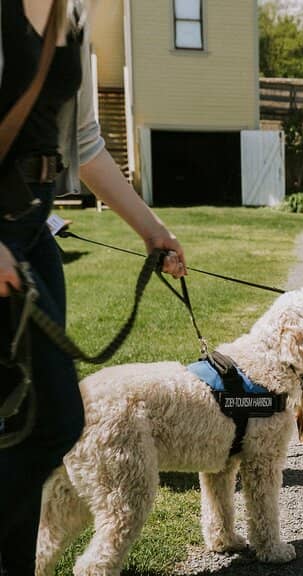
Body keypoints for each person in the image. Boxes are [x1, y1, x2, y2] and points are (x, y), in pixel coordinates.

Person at [0, 1, 187, 573]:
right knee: (37, 421)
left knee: (45, 420)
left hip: (31, 232)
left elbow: (83, 144)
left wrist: (152, 230)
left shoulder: (72, 19)